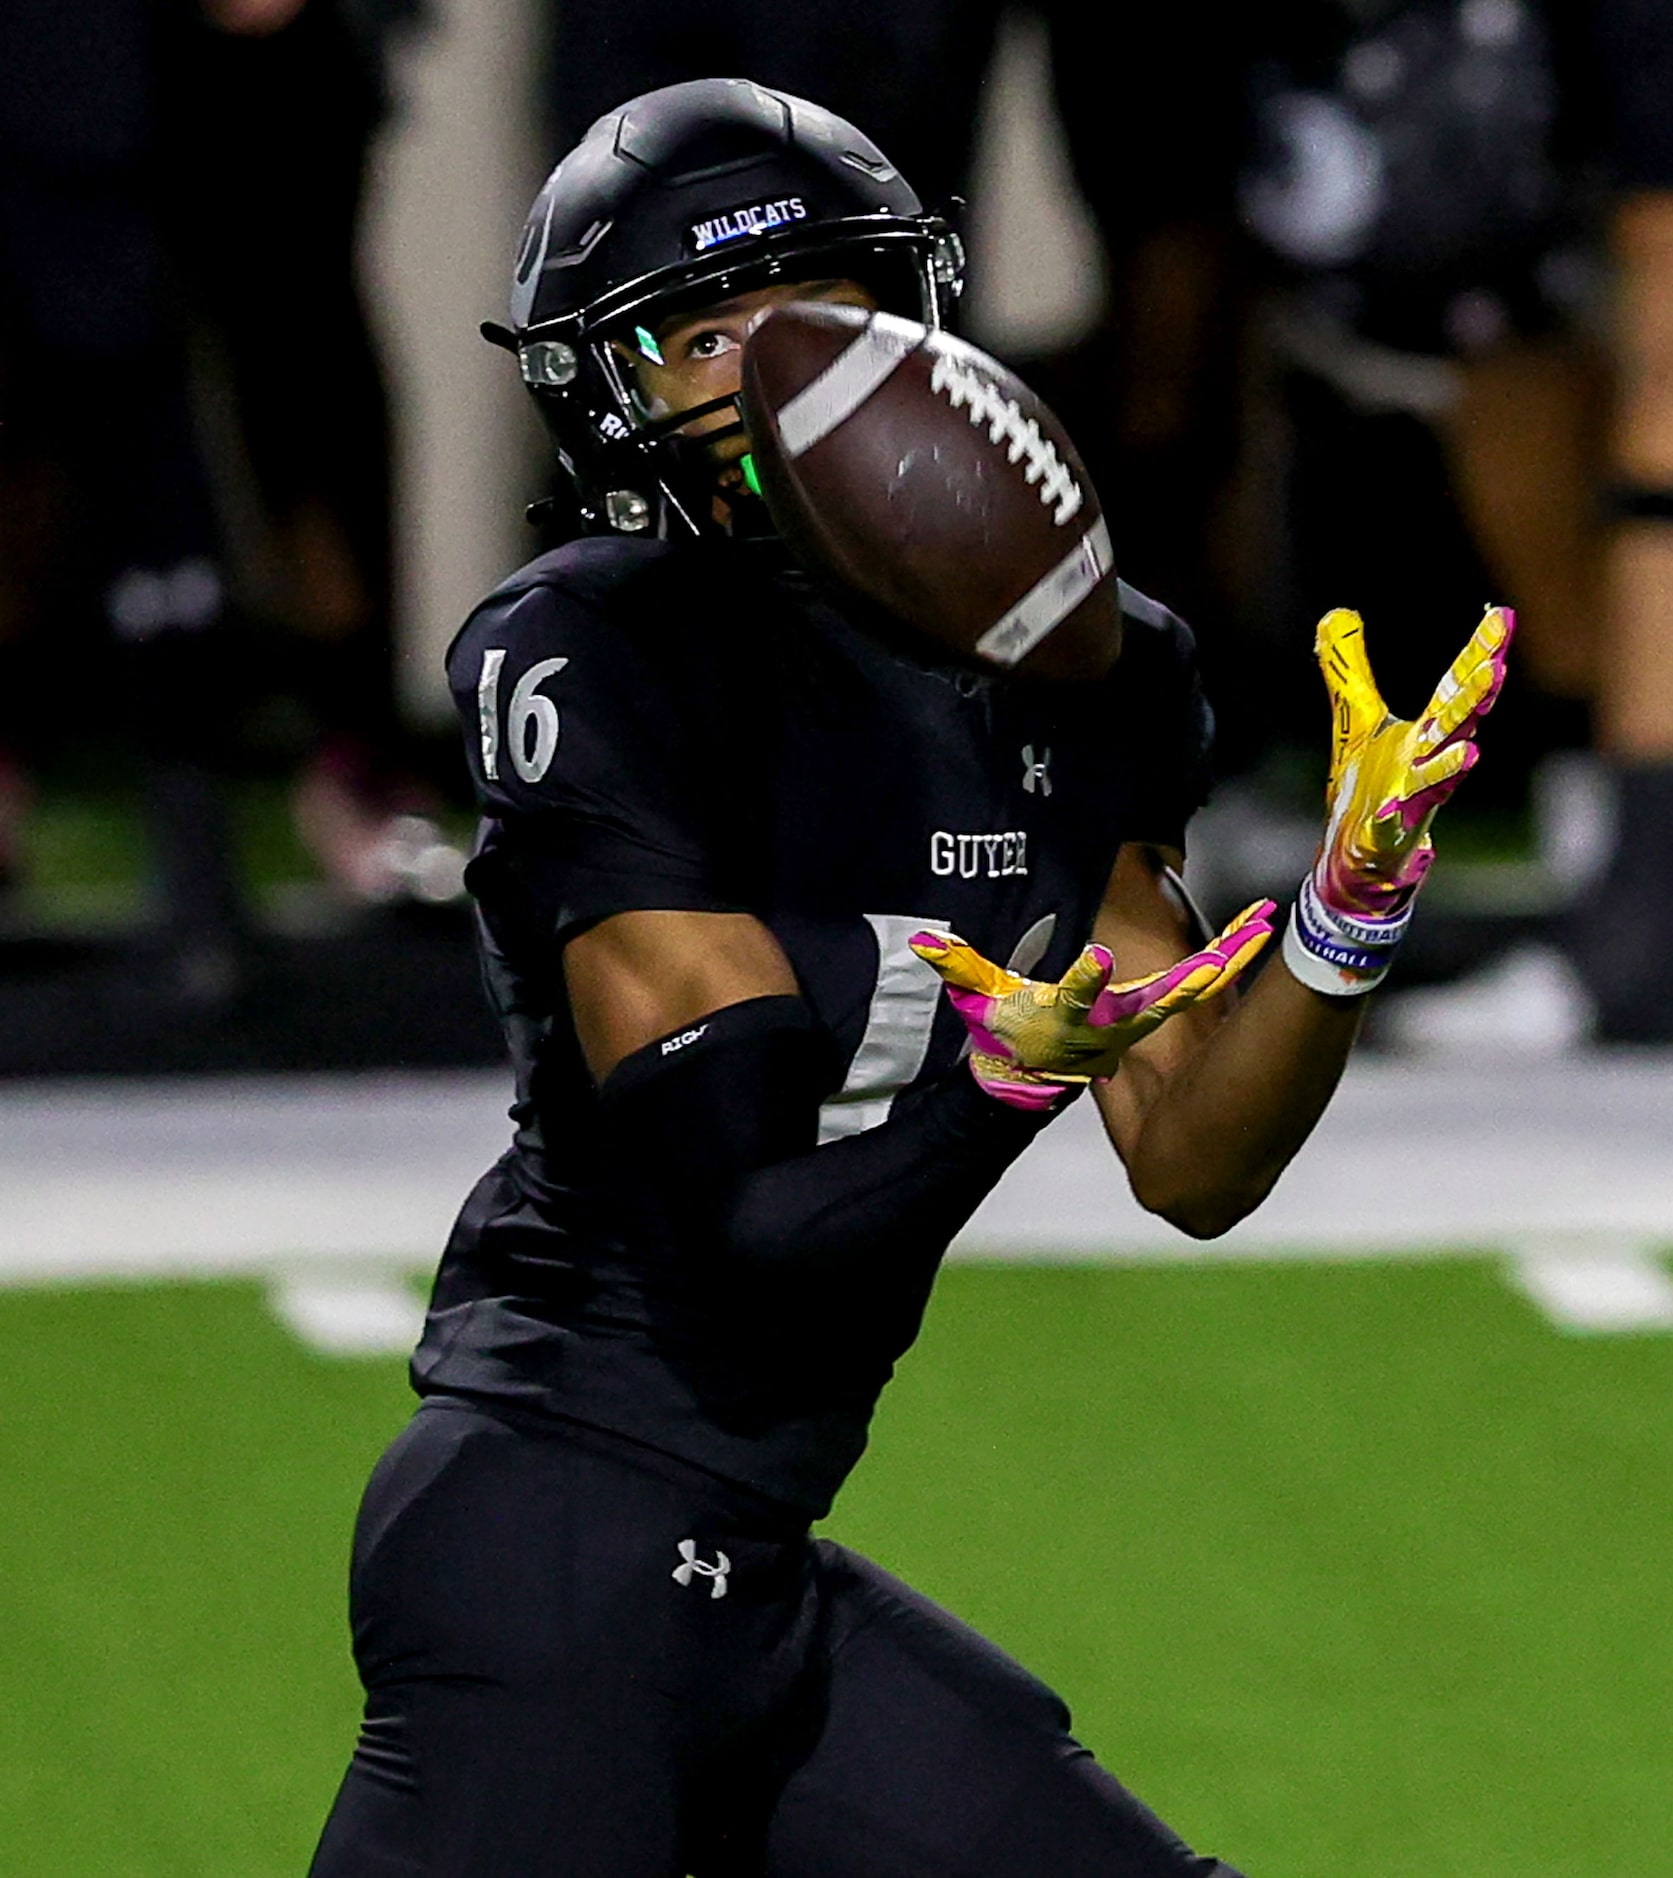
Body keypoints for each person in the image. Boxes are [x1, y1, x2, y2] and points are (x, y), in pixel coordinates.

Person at [308, 79, 1509, 1876]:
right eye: (698, 336)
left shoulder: (1083, 664)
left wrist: (1343, 915)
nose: (764, 378)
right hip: (554, 1552)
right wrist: (997, 1086)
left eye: (811, 312)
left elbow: (1186, 1152)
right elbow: (742, 1229)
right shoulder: (593, 658)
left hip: (740, 1561)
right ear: (610, 387)